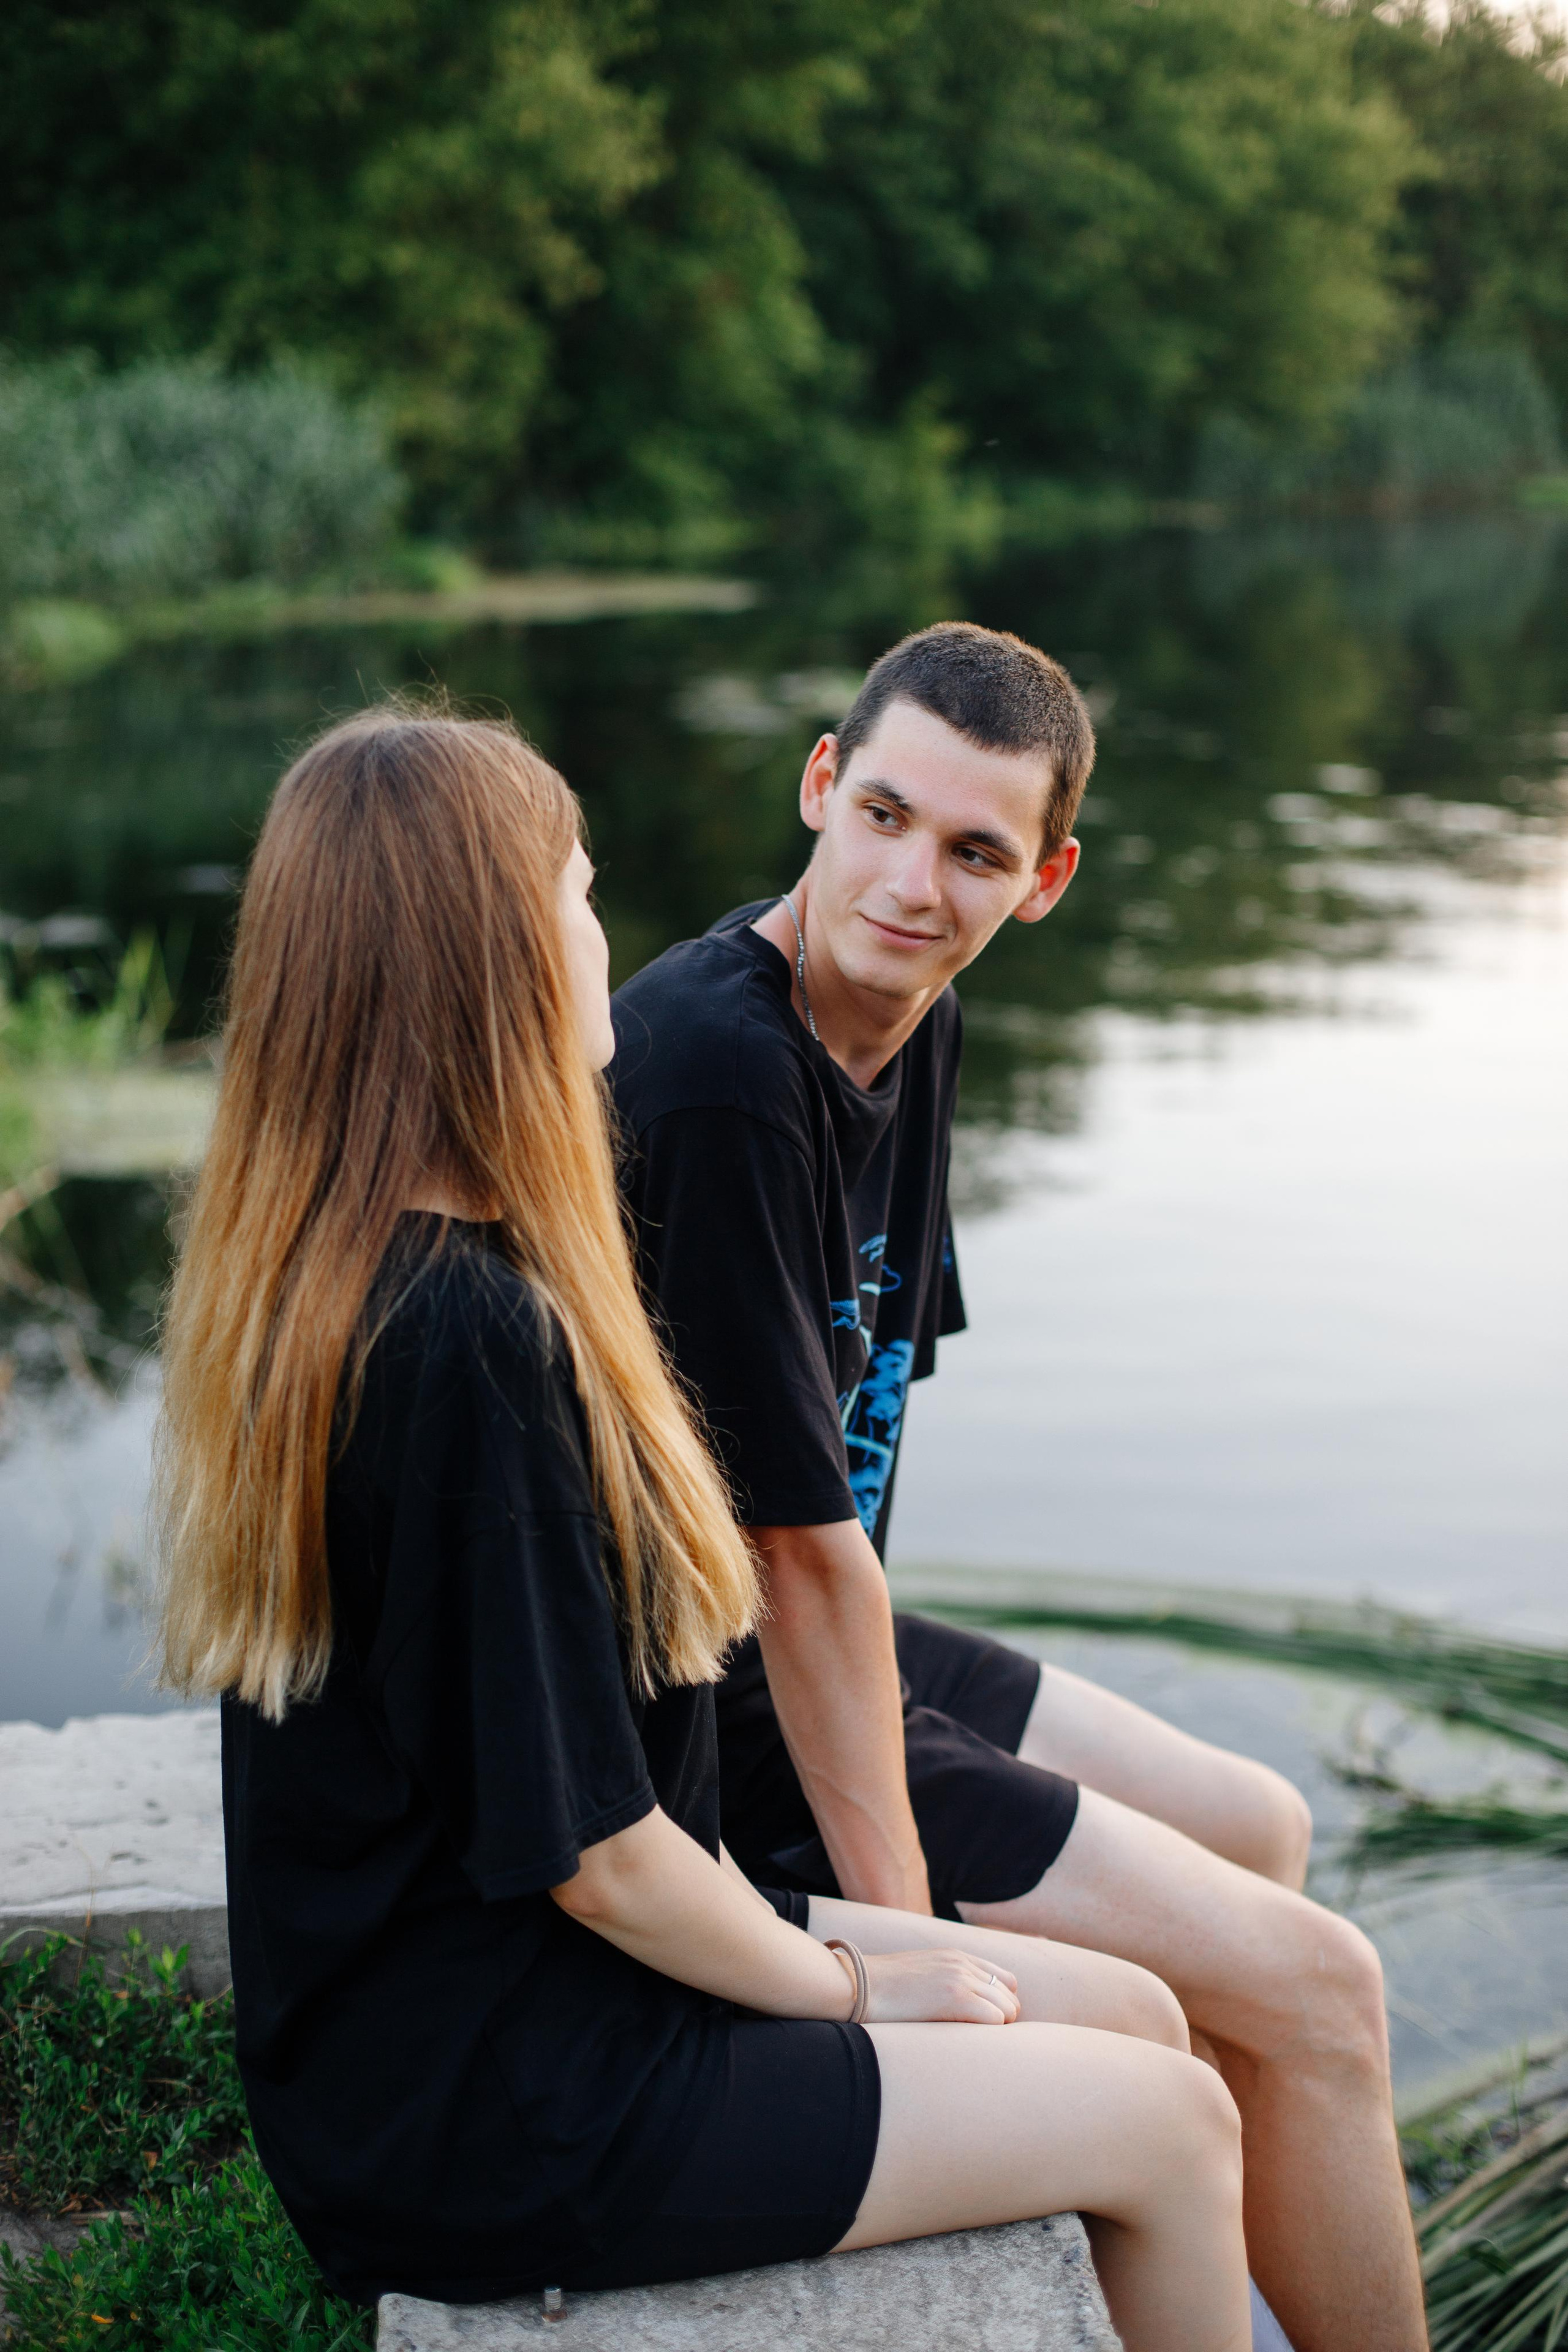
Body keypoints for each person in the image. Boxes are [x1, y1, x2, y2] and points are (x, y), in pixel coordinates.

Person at [152, 704, 1251, 2347]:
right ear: (500, 951)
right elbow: (595, 1856)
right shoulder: (462, 1346)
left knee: (1145, 2012)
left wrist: (862, 1944)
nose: (613, 932)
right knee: (1177, 2128)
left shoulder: (377, 1260)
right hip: (504, 2097)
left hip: (519, 1993)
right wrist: (855, 1978)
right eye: (579, 893)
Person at [609, 625, 1429, 2352]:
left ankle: (1189, 2261)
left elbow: (867, 1431)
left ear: (1044, 879)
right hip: (713, 1715)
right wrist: (909, 1959)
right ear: (822, 784)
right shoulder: (715, 1069)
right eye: (888, 816)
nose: (914, 886)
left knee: (1262, 1827)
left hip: (830, 1641)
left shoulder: (913, 1020)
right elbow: (803, 1559)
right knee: (1328, 1990)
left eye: (977, 853)